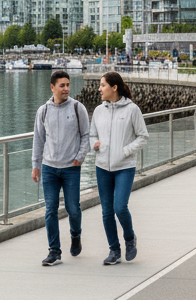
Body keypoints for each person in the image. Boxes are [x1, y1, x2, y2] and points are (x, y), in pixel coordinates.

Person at [32, 70, 90, 266]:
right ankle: (54, 251)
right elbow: (38, 140)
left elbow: (86, 135)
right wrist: (36, 166)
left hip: (71, 168)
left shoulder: (77, 108)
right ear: (52, 87)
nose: (66, 89)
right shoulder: (43, 111)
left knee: (73, 209)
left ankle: (76, 235)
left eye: (68, 85)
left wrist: (80, 157)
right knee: (50, 210)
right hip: (49, 168)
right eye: (62, 85)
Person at [90, 72, 148, 265]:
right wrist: (94, 143)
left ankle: (130, 238)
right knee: (107, 211)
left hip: (124, 166)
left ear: (114, 87)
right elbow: (91, 135)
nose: (99, 89)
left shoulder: (132, 110)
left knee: (120, 207)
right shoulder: (99, 111)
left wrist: (125, 151)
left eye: (103, 85)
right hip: (102, 167)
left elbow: (143, 136)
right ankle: (114, 250)